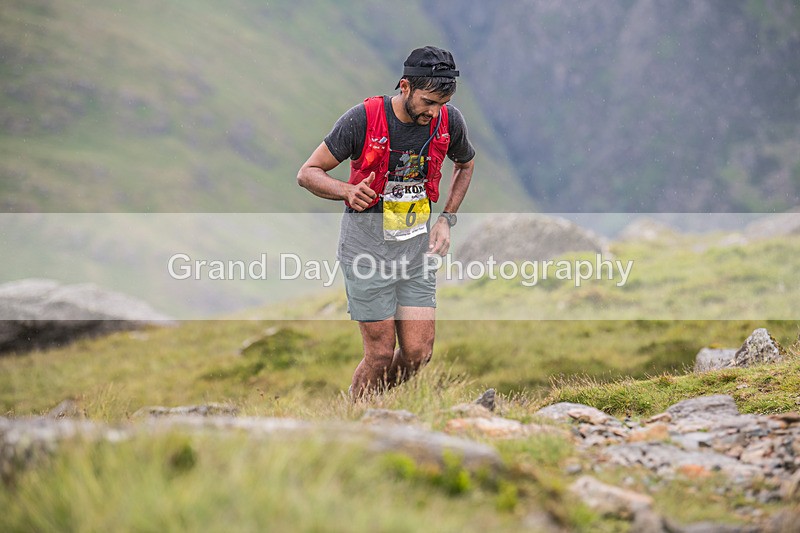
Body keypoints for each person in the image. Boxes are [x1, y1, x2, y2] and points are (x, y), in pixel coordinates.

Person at [297, 45, 475, 399]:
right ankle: (357, 416)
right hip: (366, 253)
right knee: (378, 355)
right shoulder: (362, 119)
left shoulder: (449, 120)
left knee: (418, 353)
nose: (433, 112)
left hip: (415, 253)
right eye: (427, 102)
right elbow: (308, 173)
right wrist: (346, 191)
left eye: (441, 103)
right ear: (405, 86)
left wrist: (446, 220)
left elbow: (465, 164)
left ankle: (369, 404)